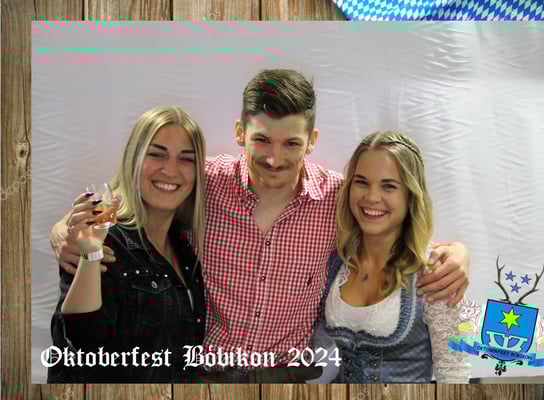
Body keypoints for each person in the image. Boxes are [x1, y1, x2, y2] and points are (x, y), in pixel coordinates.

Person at [50, 69, 470, 383]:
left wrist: (454, 254)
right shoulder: (203, 181)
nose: (274, 158)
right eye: (261, 140)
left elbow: (388, 217)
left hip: (290, 377)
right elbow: (133, 194)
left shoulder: (337, 198)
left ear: (312, 140)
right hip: (205, 373)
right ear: (240, 132)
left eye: (291, 143)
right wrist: (63, 230)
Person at [47, 106, 207, 383]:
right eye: (156, 154)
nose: (170, 170)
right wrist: (90, 254)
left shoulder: (185, 248)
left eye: (186, 159)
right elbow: (83, 344)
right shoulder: (102, 237)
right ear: (134, 158)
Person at [312, 131, 470, 383]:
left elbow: (453, 373)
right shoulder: (335, 261)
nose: (371, 197)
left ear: (410, 195)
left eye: (389, 186)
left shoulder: (436, 272)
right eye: (362, 182)